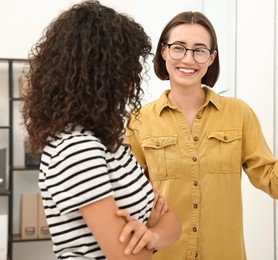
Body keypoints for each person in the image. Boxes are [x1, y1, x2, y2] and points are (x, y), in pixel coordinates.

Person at [125, 11, 278, 260]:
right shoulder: (138, 122)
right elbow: (128, 201)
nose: (188, 59)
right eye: (179, 48)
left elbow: (275, 184)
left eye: (199, 50)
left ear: (211, 58)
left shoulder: (238, 114)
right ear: (164, 52)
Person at [21, 1, 181, 259]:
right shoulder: (77, 146)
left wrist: (151, 235)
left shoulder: (110, 142)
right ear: (99, 71)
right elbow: (126, 255)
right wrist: (153, 236)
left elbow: (173, 222)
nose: (134, 75)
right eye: (126, 65)